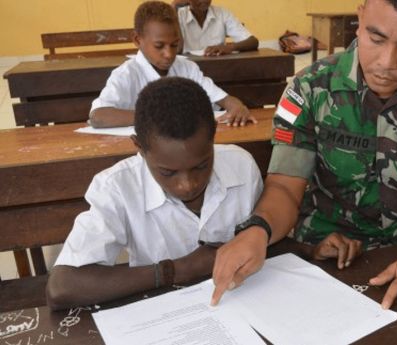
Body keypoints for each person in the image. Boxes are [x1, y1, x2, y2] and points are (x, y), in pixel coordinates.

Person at [211, 0, 397, 321]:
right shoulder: (309, 88)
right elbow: (285, 185)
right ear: (361, 16)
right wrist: (257, 230)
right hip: (324, 253)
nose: (386, 62)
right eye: (376, 38)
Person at [46, 77, 263, 311]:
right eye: (168, 172)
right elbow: (61, 287)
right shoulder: (117, 187)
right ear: (139, 147)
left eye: (201, 166)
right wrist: (180, 268)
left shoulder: (241, 166)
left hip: (242, 304)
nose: (187, 185)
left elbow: (266, 238)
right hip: (163, 315)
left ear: (213, 138)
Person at [89, 1, 254, 128]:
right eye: (159, 46)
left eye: (174, 45)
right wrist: (160, 117)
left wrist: (237, 106)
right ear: (137, 40)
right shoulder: (127, 74)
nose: (169, 54)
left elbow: (223, 99)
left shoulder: (187, 68)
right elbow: (98, 116)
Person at [174, 0, 259, 56]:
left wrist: (228, 47)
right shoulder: (178, 15)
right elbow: (177, 50)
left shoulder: (222, 13)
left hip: (218, 67)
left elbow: (253, 42)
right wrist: (174, 7)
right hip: (188, 70)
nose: (204, 0)